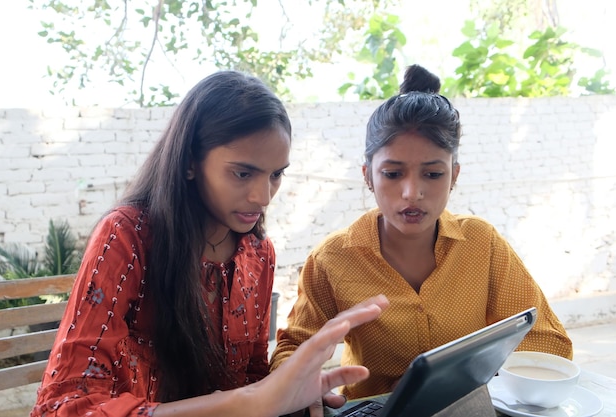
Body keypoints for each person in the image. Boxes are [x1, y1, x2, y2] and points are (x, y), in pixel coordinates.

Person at [31, 70, 390, 417]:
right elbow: (63, 405)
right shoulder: (127, 238)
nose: (263, 196)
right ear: (190, 162)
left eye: (276, 174)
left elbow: (249, 376)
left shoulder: (258, 255)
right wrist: (246, 403)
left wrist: (288, 397)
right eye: (243, 173)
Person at [269, 65, 573, 416]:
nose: (412, 193)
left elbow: (547, 342)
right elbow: (292, 350)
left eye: (433, 173)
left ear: (454, 175)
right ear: (368, 176)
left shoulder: (482, 244)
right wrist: (303, 389)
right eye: (393, 174)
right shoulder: (333, 259)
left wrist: (481, 384)